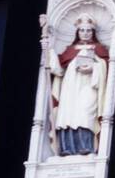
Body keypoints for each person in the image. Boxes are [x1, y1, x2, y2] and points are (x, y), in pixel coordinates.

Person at [44, 14, 109, 156]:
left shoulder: (99, 49)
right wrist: (50, 51)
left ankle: (86, 146)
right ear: (77, 32)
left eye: (88, 30)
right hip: (70, 88)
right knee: (68, 114)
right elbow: (59, 71)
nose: (85, 33)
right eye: (82, 30)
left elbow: (108, 67)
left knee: (85, 113)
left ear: (93, 32)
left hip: (89, 86)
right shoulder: (70, 50)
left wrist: (95, 68)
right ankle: (67, 147)